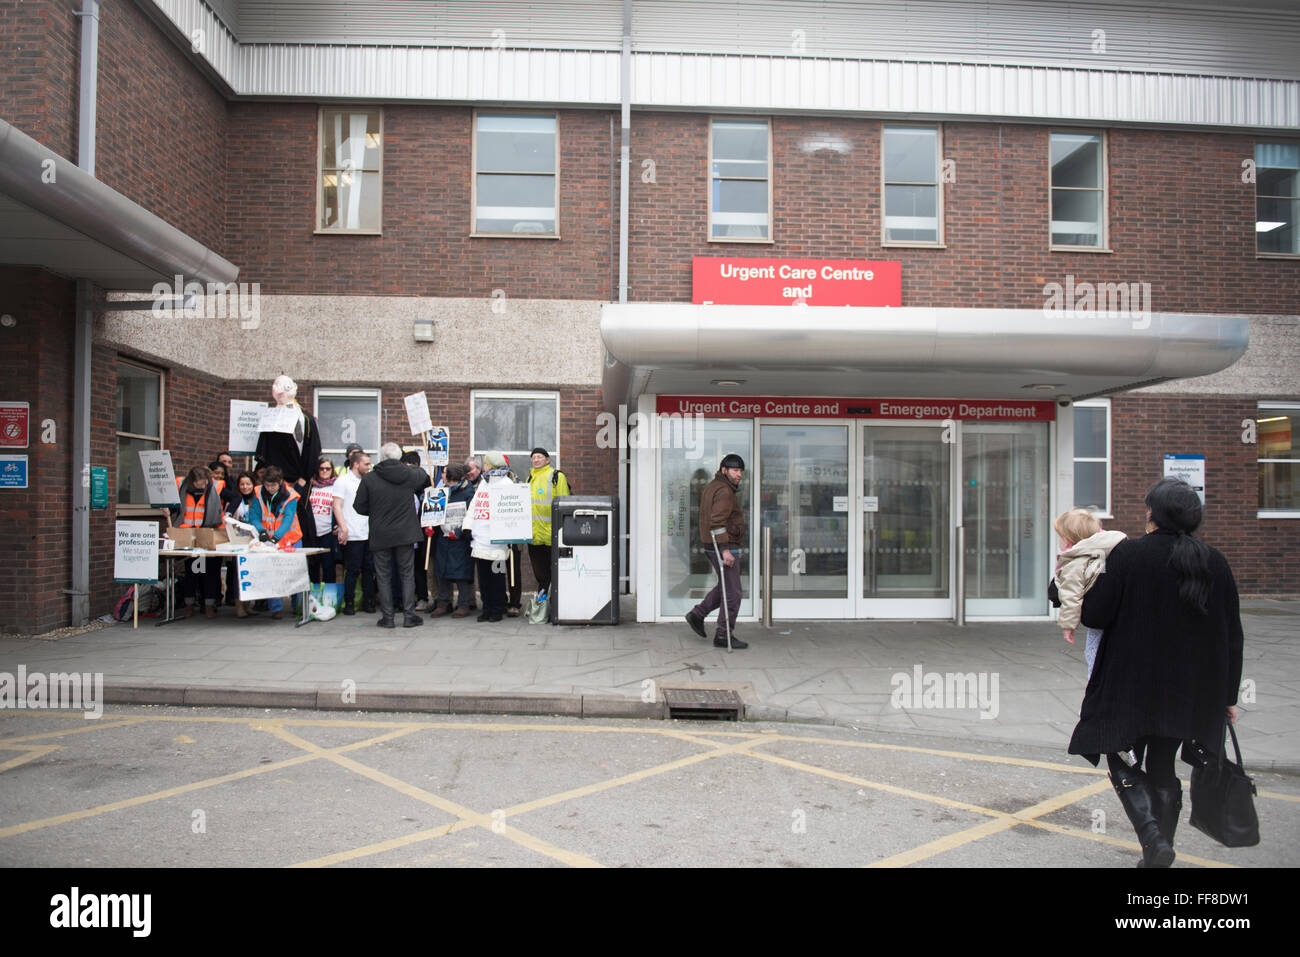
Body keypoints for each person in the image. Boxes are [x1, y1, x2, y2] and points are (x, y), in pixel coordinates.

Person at [1068, 477, 1245, 868]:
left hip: (1130, 683)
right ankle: (1158, 847)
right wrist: (1229, 696)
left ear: (1154, 514)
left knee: (1116, 749)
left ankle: (1152, 837)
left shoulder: (1129, 555)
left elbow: (1096, 613)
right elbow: (1233, 634)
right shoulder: (1214, 561)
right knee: (1162, 764)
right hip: (1190, 688)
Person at [354, 442, 430, 628]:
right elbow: (424, 476)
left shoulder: (370, 479)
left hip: (380, 533)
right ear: (399, 458)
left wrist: (376, 511)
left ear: (381, 457)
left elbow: (359, 506)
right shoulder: (409, 475)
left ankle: (388, 618)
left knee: (383, 575)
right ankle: (409, 616)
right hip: (405, 533)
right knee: (407, 574)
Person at [1049, 508, 1126, 679]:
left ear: (1068, 540)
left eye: (1060, 537)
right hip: (1116, 619)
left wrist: (1068, 625)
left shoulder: (1076, 561)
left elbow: (1071, 595)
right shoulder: (1106, 548)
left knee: (1093, 653)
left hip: (1097, 621)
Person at [685, 454, 748, 649]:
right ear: (724, 470)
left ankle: (697, 614)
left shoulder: (714, 486)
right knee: (734, 593)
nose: (739, 475)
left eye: (740, 472)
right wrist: (725, 550)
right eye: (735, 471)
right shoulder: (724, 491)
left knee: (725, 588)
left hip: (714, 546)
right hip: (723, 547)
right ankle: (723, 635)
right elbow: (717, 522)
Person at [246, 465, 303, 620]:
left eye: (273, 485)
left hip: (291, 538)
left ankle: (296, 605)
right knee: (272, 574)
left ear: (280, 482)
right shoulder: (258, 492)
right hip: (268, 538)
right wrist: (261, 531)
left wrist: (277, 536)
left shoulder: (291, 495)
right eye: (267, 485)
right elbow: (255, 515)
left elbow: (288, 518)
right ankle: (275, 608)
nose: (270, 488)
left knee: (294, 573)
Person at [461, 451, 513, 622]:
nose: (484, 466)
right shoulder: (484, 482)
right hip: (481, 540)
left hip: (497, 542)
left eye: (486, 463)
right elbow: (475, 506)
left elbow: (512, 510)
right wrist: (468, 526)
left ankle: (497, 608)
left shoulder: (506, 484)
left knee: (497, 578)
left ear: (492, 464)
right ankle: (487, 607)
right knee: (483, 579)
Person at [170, 465, 225, 619]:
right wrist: (168, 509)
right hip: (187, 536)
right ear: (192, 482)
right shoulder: (181, 487)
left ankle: (208, 605)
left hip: (206, 534)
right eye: (199, 484)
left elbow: (233, 497)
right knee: (192, 572)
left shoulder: (213, 487)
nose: (203, 486)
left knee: (209, 573)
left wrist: (225, 513)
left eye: (205, 483)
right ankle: (189, 604)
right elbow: (174, 506)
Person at [254, 375, 321, 493]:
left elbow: (312, 449)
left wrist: (304, 478)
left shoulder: (304, 418)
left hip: (297, 479)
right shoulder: (269, 417)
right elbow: (263, 449)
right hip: (274, 480)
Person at [333, 450, 377, 616]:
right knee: (352, 570)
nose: (369, 467)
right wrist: (343, 527)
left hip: (368, 532)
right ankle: (349, 602)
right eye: (366, 464)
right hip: (352, 532)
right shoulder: (343, 481)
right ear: (356, 464)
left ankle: (368, 601)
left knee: (369, 569)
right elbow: (337, 505)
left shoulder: (369, 481)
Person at [431, 464, 476, 617]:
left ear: (451, 476)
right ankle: (443, 603)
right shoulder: (440, 492)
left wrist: (459, 532)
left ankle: (463, 604)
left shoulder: (467, 492)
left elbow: (470, 515)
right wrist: (430, 524)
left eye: (443, 472)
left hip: (460, 540)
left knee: (461, 573)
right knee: (442, 571)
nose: (441, 475)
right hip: (443, 537)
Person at [526, 447, 569, 598]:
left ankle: (555, 606)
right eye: (533, 457)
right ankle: (542, 605)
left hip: (552, 535)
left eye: (539, 457)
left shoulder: (557, 476)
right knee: (541, 575)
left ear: (547, 460)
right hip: (534, 536)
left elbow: (565, 505)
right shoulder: (530, 478)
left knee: (555, 574)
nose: (536, 460)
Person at [299, 454, 340, 593]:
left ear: (332, 470)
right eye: (321, 468)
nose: (324, 471)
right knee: (312, 566)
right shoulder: (310, 486)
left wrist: (339, 524)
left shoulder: (337, 486)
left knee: (329, 566)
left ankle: (329, 598)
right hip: (311, 532)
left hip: (328, 532)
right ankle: (313, 598)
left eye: (327, 469)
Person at [223, 470, 259, 617]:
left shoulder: (257, 499)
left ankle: (248, 605)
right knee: (240, 574)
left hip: (255, 541)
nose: (245, 487)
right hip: (239, 541)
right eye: (242, 484)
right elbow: (227, 516)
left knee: (252, 574)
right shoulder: (235, 499)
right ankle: (239, 607)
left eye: (248, 484)